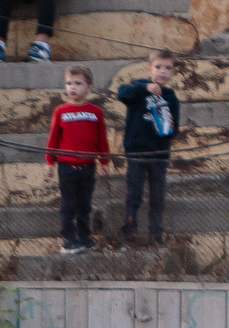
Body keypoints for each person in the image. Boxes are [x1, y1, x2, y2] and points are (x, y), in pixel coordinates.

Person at [116, 49, 182, 245]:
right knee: (134, 194)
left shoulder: (170, 97)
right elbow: (122, 94)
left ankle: (156, 236)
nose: (162, 71)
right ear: (149, 69)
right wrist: (146, 87)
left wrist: (163, 123)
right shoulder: (137, 89)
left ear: (173, 73)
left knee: (157, 197)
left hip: (159, 154)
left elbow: (173, 130)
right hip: (136, 152)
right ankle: (129, 233)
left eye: (167, 68)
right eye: (158, 67)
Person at [46, 64, 111, 253]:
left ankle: (84, 237)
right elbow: (53, 139)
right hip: (66, 167)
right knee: (68, 205)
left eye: (77, 83)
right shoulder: (60, 111)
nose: (72, 87)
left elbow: (101, 139)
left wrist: (104, 162)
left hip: (88, 167)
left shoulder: (95, 112)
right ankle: (69, 239)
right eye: (69, 83)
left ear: (89, 87)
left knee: (84, 204)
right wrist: (50, 162)